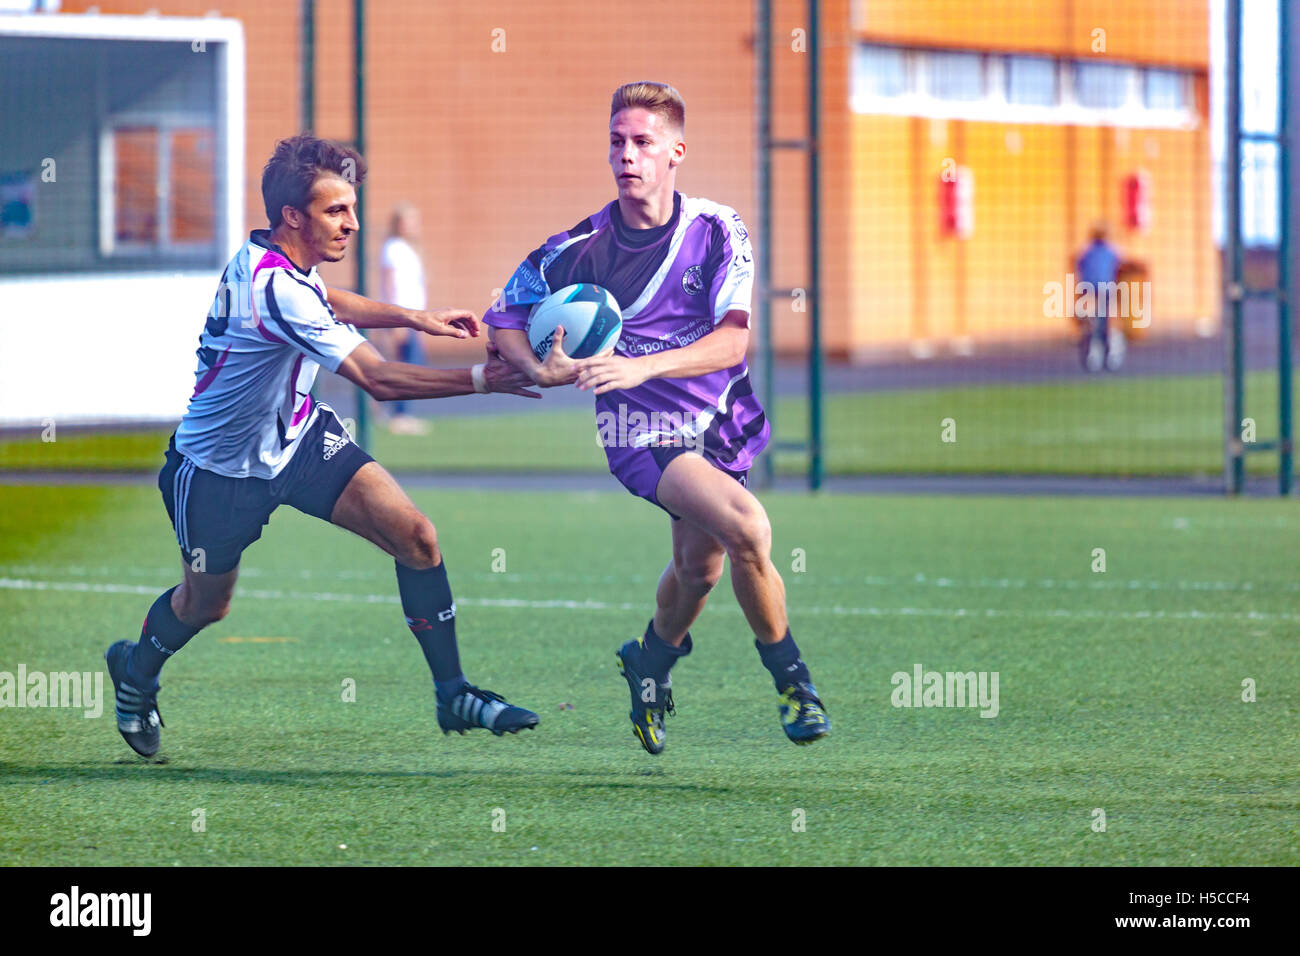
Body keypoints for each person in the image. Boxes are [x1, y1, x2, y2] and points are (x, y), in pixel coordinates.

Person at [104, 134, 541, 759]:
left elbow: (326, 296)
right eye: (337, 211)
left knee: (416, 537)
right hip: (216, 474)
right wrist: (482, 379)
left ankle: (454, 693)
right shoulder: (275, 291)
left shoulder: (273, 260)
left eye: (352, 207)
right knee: (205, 606)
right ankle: (136, 670)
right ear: (293, 216)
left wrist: (414, 318)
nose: (353, 223)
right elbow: (382, 382)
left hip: (301, 439)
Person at [486, 82, 830, 754]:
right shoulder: (577, 248)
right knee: (747, 528)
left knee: (697, 569)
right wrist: (537, 368)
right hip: (639, 433)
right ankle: (795, 684)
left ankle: (649, 665)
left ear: (676, 151)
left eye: (642, 142)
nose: (627, 155)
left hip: (720, 417)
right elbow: (505, 315)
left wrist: (643, 363)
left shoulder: (716, 229)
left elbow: (733, 342)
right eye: (617, 141)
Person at [376, 202, 431, 435]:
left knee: (410, 362)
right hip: (403, 316)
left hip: (414, 317)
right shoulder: (394, 248)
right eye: (407, 221)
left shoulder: (409, 249)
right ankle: (398, 414)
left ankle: (393, 411)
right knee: (404, 365)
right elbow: (389, 284)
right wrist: (395, 320)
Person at [1076, 221, 1126, 372]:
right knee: (1107, 322)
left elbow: (1078, 267)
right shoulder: (1110, 252)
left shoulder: (1087, 253)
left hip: (1090, 290)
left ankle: (1097, 352)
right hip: (1101, 290)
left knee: (1093, 323)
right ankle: (1110, 352)